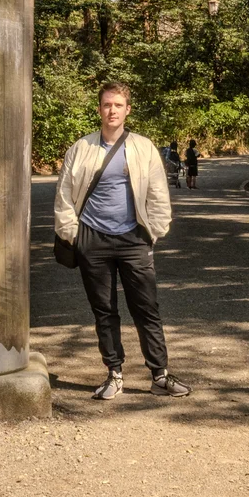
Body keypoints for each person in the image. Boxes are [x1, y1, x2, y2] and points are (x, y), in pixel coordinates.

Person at [52, 82, 191, 400]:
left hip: (133, 238)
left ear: (127, 109)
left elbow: (158, 194)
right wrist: (74, 236)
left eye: (117, 105)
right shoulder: (82, 148)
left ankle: (160, 374)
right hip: (92, 238)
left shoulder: (143, 147)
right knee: (104, 310)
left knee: (147, 308)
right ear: (99, 108)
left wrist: (153, 233)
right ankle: (114, 374)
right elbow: (64, 196)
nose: (111, 110)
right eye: (106, 105)